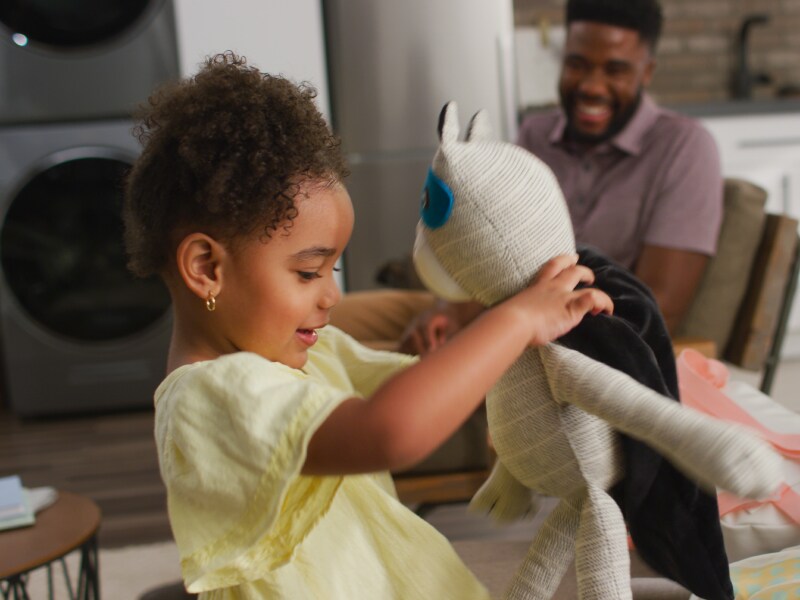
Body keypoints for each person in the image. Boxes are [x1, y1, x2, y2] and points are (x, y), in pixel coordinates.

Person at [122, 51, 612, 599]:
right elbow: (389, 430)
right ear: (207, 268)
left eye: (332, 269)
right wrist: (516, 320)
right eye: (308, 272)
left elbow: (426, 389)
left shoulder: (300, 354)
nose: (331, 294)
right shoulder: (209, 398)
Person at [397, 0, 722, 354]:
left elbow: (659, 310)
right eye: (576, 64)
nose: (591, 86)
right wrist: (450, 313)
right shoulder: (536, 134)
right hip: (503, 314)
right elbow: (496, 250)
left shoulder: (684, 147)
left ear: (647, 72)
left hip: (567, 347)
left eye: (615, 70)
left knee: (372, 372)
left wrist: (500, 332)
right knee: (346, 326)